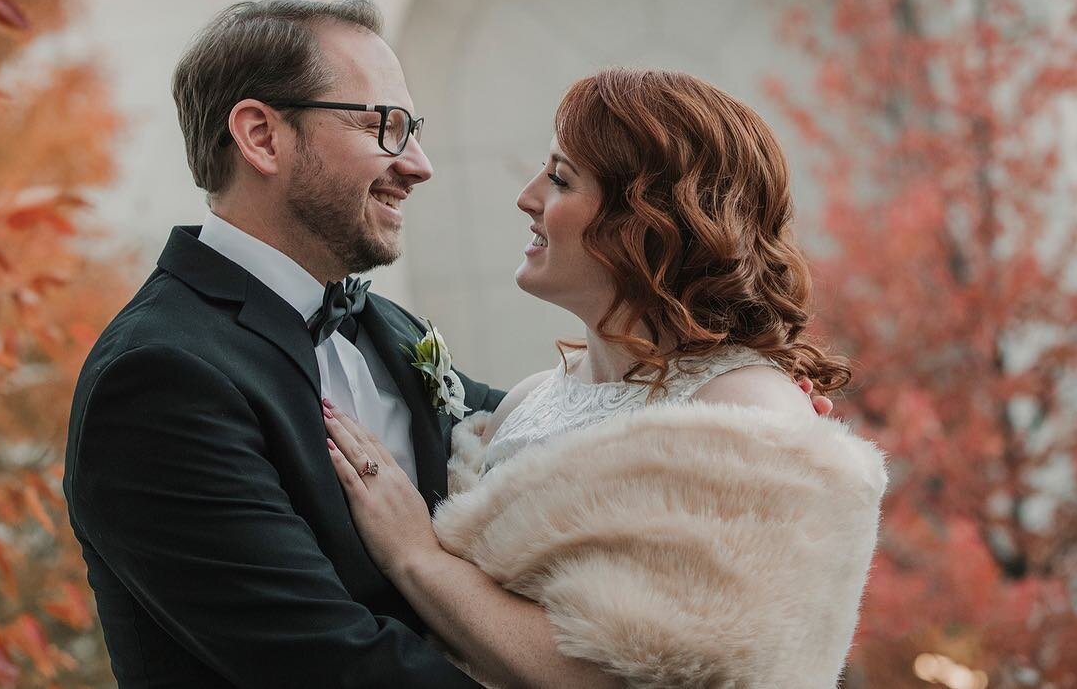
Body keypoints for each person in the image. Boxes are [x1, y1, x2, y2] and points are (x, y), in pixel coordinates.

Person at [323, 68, 888, 687]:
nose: (527, 196)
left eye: (560, 178)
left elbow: (657, 673)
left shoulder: (746, 407)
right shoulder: (528, 401)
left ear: (649, 219)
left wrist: (414, 555)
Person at [62, 0, 507, 687]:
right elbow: (331, 665)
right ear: (262, 137)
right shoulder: (158, 378)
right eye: (384, 125)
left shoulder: (393, 330)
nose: (418, 164)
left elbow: (539, 444)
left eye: (413, 129)